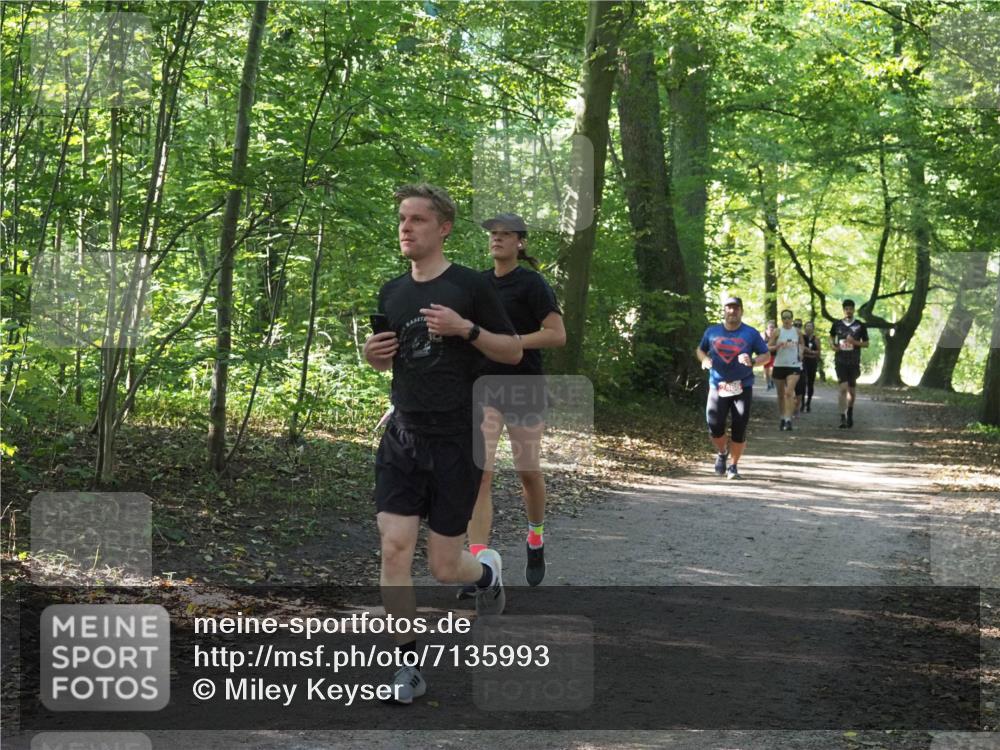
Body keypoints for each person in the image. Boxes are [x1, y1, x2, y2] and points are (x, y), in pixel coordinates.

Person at [363, 184, 523, 704]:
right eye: (401, 219)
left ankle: (486, 574)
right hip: (404, 434)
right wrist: (373, 355)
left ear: (444, 228)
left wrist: (466, 329)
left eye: (417, 220)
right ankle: (407, 668)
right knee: (393, 546)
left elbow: (514, 353)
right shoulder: (391, 292)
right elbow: (391, 358)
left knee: (443, 567)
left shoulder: (471, 287)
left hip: (459, 438)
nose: (406, 228)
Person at [461, 213, 565, 595]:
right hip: (485, 387)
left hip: (523, 387)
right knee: (480, 473)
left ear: (520, 243)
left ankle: (535, 538)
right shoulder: (477, 284)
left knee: (528, 472)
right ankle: (476, 564)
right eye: (493, 234)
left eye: (505, 235)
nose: (497, 240)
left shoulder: (532, 283)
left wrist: (514, 343)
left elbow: (557, 335)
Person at [696, 296, 771, 480]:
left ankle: (734, 466)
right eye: (729, 308)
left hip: (742, 386)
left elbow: (767, 355)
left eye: (736, 308)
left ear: (741, 311)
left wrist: (752, 361)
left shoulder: (750, 333)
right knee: (714, 425)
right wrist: (704, 360)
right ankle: (722, 452)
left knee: (739, 427)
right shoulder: (712, 331)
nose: (732, 311)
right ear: (724, 311)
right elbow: (700, 350)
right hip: (717, 385)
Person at [830, 299, 869, 428]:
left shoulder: (860, 325)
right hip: (840, 360)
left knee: (851, 391)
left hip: (854, 361)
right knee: (843, 388)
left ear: (853, 310)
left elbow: (866, 343)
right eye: (846, 309)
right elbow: (831, 337)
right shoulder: (837, 324)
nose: (848, 311)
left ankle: (850, 412)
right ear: (843, 310)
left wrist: (854, 342)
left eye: (850, 309)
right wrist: (833, 345)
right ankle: (842, 416)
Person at [769, 309, 803, 431]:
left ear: (792, 319)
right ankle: (782, 417)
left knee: (789, 393)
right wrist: (777, 346)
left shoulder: (797, 332)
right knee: (780, 395)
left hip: (794, 365)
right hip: (779, 365)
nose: (787, 320)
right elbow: (768, 346)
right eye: (784, 318)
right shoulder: (777, 331)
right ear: (781, 319)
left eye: (789, 317)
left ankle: (788, 420)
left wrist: (801, 353)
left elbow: (802, 345)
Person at [797, 320, 820, 413]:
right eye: (807, 326)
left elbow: (818, 352)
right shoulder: (802, 337)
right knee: (803, 383)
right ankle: (802, 403)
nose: (808, 328)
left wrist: (810, 352)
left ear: (813, 328)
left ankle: (808, 403)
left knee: (810, 383)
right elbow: (800, 348)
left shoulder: (816, 339)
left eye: (810, 326)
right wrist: (810, 352)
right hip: (803, 362)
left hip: (812, 363)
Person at [762, 321, 777, 390]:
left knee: (772, 370)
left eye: (773, 327)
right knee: (766, 372)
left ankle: (772, 381)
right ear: (767, 328)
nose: (772, 329)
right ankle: (768, 384)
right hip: (766, 356)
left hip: (774, 356)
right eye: (770, 327)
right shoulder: (763, 336)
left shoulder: (776, 336)